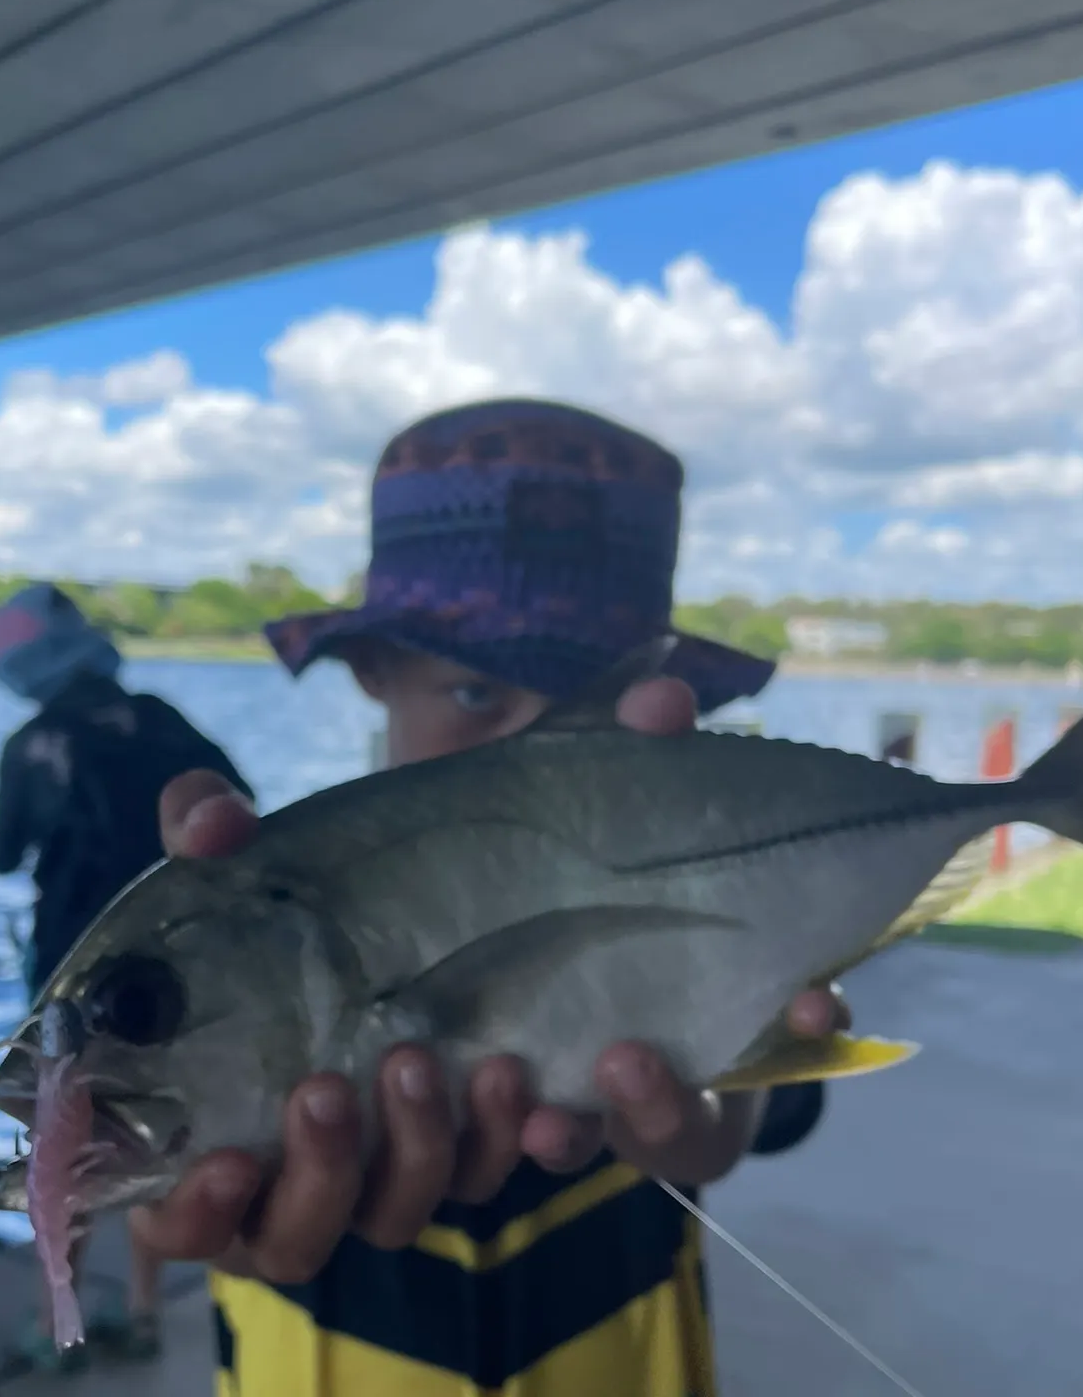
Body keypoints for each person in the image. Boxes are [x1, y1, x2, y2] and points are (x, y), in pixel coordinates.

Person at [133, 399, 846, 1396]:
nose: (532, 764)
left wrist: (720, 1105)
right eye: (477, 695)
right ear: (377, 672)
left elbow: (781, 1097)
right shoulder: (274, 898)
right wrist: (178, 1162)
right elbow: (140, 1137)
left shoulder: (712, 864)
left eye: (585, 718)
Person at [0, 580, 256, 1374]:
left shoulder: (30, 745)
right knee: (154, 1134)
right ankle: (142, 1312)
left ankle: (56, 1323)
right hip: (175, 974)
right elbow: (238, 804)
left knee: (62, 1142)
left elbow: (3, 855)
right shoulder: (163, 720)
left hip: (67, 977)